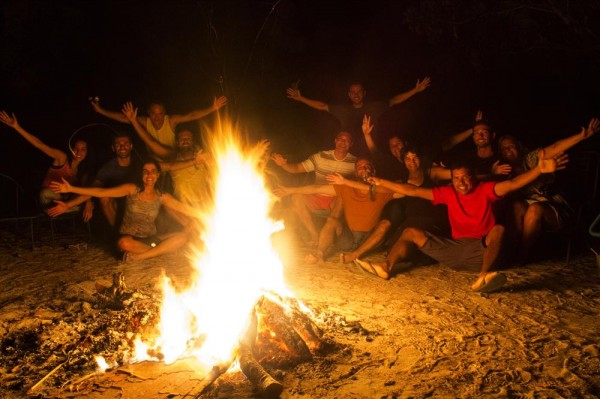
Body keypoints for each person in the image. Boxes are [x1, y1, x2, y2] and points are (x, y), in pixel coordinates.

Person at [360, 150, 566, 293]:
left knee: (499, 229)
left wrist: (539, 170)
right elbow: (413, 190)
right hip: (455, 251)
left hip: (483, 251)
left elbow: (513, 184)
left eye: (466, 177)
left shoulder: (487, 189)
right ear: (452, 179)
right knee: (411, 232)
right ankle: (386, 267)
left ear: (474, 177)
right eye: (457, 178)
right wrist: (380, 181)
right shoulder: (448, 193)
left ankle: (484, 277)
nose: (461, 182)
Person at [50, 160, 198, 261]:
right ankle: (159, 251)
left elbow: (183, 208)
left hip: (152, 238)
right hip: (131, 239)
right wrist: (70, 193)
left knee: (182, 237)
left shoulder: (162, 196)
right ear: (141, 174)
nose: (149, 175)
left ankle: (142, 256)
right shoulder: (132, 189)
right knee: (123, 243)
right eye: (146, 171)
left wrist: (208, 213)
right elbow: (101, 192)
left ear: (158, 175)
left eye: (153, 171)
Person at [498, 117, 599, 262]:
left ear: (519, 146)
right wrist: (492, 172)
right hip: (528, 206)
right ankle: (509, 252)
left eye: (510, 146)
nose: (507, 150)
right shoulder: (504, 171)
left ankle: (522, 255)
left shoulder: (531, 159)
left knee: (535, 209)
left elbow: (553, 148)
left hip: (554, 205)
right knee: (516, 206)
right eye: (503, 148)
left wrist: (581, 136)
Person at [274, 158, 400, 264]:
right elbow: (317, 188)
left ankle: (355, 255)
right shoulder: (345, 187)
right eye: (360, 167)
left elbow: (404, 192)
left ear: (373, 170)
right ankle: (319, 254)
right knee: (332, 220)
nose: (364, 169)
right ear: (356, 172)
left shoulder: (383, 190)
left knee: (385, 224)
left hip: (371, 240)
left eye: (367, 166)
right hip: (348, 238)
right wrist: (289, 190)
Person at [342, 145, 451, 265]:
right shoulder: (401, 181)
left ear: (421, 159)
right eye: (408, 159)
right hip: (411, 221)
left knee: (416, 250)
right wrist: (345, 182)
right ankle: (356, 255)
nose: (412, 162)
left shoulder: (432, 172)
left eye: (415, 158)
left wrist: (448, 165)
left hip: (430, 219)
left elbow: (457, 174)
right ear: (403, 161)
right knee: (393, 249)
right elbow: (377, 189)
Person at [286, 78, 431, 155]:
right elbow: (322, 106)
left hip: (373, 152)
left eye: (359, 91)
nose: (356, 95)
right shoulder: (343, 110)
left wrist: (415, 90)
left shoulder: (374, 107)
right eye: (353, 92)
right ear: (349, 95)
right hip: (349, 154)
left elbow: (394, 101)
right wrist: (301, 99)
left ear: (364, 93)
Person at [270, 131, 357, 244]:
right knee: (296, 197)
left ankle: (327, 237)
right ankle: (314, 235)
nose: (342, 142)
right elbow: (296, 168)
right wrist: (283, 164)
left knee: (342, 198)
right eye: (340, 139)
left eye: (346, 140)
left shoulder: (355, 163)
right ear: (335, 141)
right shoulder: (320, 156)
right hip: (316, 196)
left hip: (337, 200)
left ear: (351, 144)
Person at [0, 110, 94, 211]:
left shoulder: (84, 170)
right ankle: (60, 209)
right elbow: (39, 144)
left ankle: (62, 209)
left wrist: (88, 202)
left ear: (87, 152)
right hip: (50, 197)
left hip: (66, 201)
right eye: (76, 148)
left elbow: (86, 190)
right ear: (71, 148)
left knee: (85, 198)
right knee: (45, 194)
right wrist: (17, 127)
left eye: (83, 149)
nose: (79, 152)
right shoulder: (62, 158)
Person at [48, 132, 141, 228]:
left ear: (131, 146)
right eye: (118, 145)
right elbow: (94, 190)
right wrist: (68, 205)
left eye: (125, 144)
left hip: (141, 202)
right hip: (119, 201)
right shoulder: (107, 169)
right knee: (105, 198)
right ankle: (118, 234)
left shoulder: (141, 164)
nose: (122, 147)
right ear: (113, 148)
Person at [90, 96, 227, 149]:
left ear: (165, 113)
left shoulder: (171, 121)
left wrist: (213, 108)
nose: (157, 117)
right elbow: (124, 118)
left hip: (171, 155)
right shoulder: (145, 121)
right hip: (155, 161)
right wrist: (101, 111)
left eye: (160, 113)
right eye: (154, 114)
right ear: (149, 113)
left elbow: (192, 115)